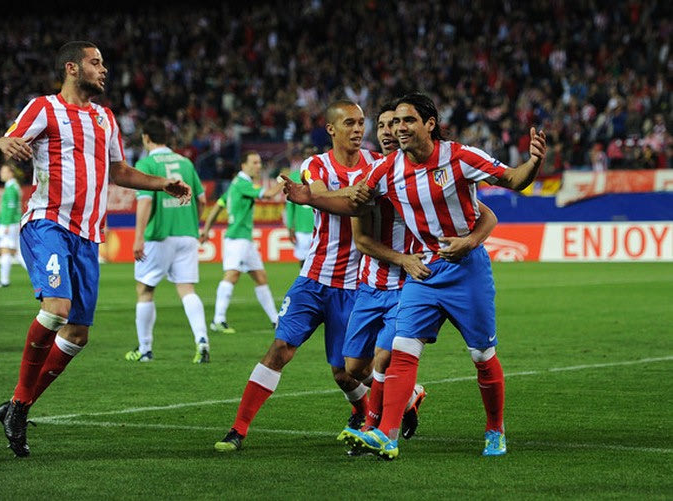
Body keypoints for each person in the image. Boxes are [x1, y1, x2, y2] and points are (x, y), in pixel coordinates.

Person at [286, 92, 546, 459]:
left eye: (408, 120)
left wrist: (533, 162)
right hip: (424, 269)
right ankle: (387, 435)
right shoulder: (387, 169)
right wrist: (310, 198)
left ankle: (495, 429)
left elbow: (514, 180)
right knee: (403, 350)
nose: (399, 128)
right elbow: (354, 201)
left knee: (482, 354)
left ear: (430, 124)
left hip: (466, 270)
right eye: (394, 122)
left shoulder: (460, 157)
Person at [0, 41, 191, 458]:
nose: (104, 70)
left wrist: (162, 184)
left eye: (103, 63)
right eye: (95, 62)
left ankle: (17, 407)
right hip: (48, 222)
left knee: (77, 335)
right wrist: (0, 146)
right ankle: (20, 407)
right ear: (72, 68)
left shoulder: (105, 117)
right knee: (56, 310)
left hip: (87, 235)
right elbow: (1, 146)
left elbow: (119, 171)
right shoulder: (43, 108)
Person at [213, 100, 382, 452]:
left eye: (361, 122)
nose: (357, 129)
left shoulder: (378, 164)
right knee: (280, 349)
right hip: (313, 278)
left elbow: (327, 200)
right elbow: (318, 197)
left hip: (354, 286)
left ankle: (372, 410)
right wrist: (349, 193)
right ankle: (238, 430)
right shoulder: (315, 164)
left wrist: (338, 196)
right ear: (331, 129)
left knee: (344, 372)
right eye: (349, 123)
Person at [339, 102, 498, 449]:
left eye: (397, 123)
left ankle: (377, 428)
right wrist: (310, 196)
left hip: (415, 275)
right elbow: (356, 226)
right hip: (373, 283)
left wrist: (469, 241)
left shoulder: (441, 168)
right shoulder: (375, 176)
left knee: (394, 355)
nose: (390, 130)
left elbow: (487, 214)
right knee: (353, 367)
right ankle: (400, 407)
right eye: (384, 125)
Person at [124, 117, 209, 364]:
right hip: (187, 234)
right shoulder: (186, 162)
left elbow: (145, 201)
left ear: (146, 138)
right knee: (187, 289)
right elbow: (202, 200)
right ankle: (202, 340)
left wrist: (138, 237)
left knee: (145, 290)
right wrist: (192, 223)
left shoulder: (146, 164)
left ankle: (145, 349)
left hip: (159, 236)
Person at [199, 151, 282, 333]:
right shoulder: (243, 183)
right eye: (254, 162)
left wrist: (205, 230)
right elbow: (268, 195)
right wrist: (284, 182)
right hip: (237, 238)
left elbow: (218, 206)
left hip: (245, 239)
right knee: (232, 275)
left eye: (259, 162)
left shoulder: (235, 184)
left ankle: (276, 320)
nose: (258, 166)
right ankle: (218, 319)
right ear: (244, 165)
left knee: (260, 277)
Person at [0, 162, 26, 288]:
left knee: (7, 251)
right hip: (10, 222)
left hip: (9, 224)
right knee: (14, 252)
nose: (1, 174)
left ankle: (4, 281)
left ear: (11, 173)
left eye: (3, 171)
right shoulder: (13, 186)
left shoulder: (11, 188)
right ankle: (4, 280)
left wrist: (8, 225)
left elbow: (11, 208)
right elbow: (7, 208)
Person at [284, 146, 315, 267]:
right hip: (301, 227)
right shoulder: (294, 177)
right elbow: (290, 206)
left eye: (312, 154)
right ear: (302, 157)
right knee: (303, 262)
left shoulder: (323, 176)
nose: (310, 156)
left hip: (319, 227)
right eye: (307, 154)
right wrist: (290, 226)